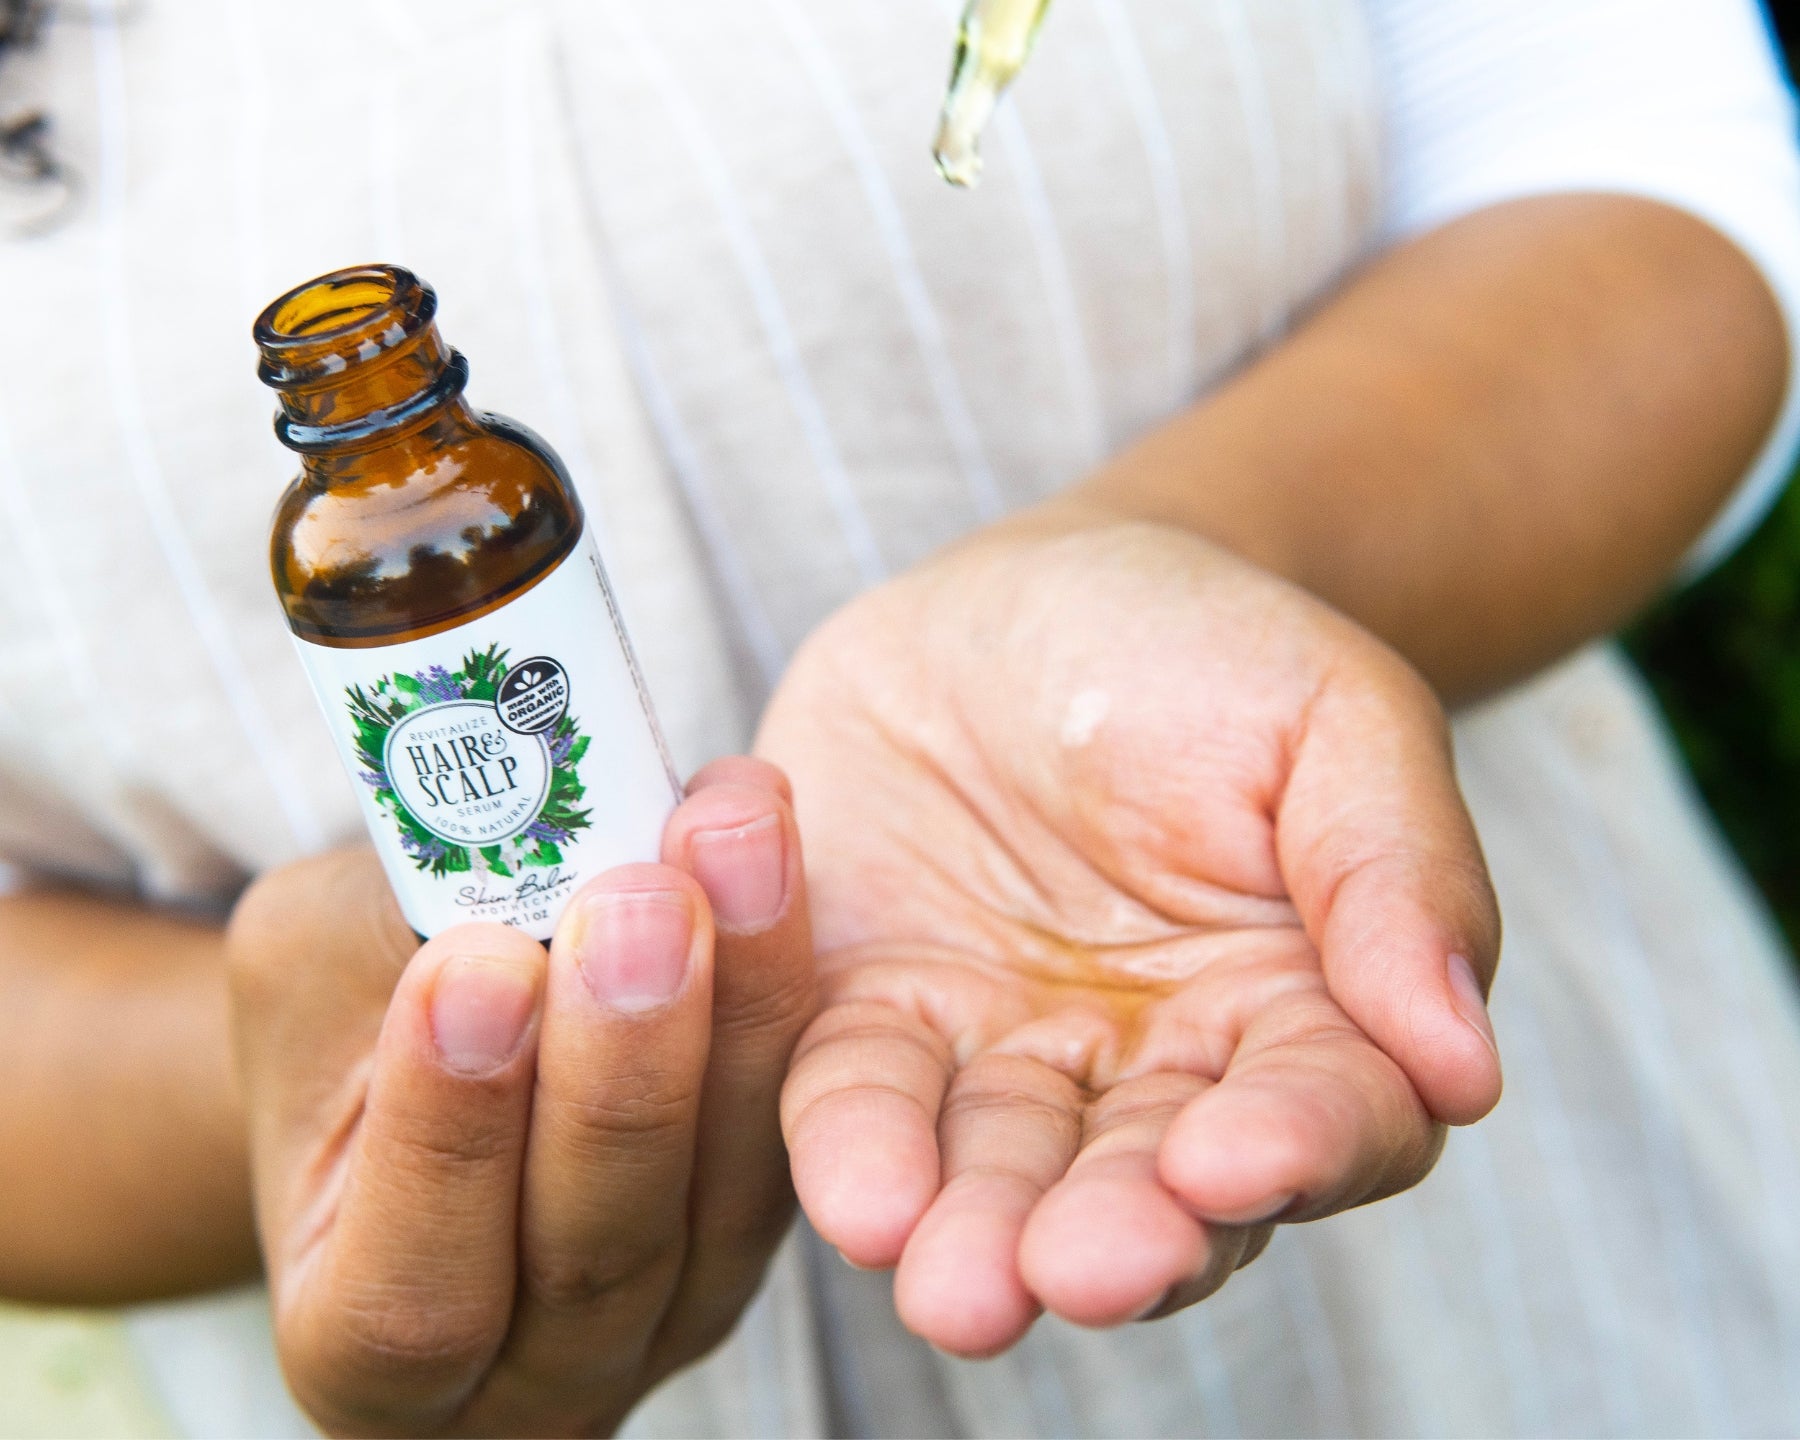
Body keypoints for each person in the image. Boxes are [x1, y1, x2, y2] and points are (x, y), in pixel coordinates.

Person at [2, 0, 1798, 1434]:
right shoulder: (368, 524)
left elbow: (1640, 172)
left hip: (1458, 1220)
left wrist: (1162, 557)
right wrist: (307, 1090)